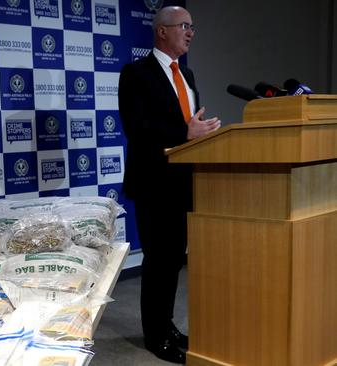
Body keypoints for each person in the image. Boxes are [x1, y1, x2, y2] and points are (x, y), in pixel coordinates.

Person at [117, 6, 221, 364]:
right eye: (184, 26)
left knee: (175, 259)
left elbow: (190, 125)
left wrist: (202, 137)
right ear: (162, 31)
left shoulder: (187, 73)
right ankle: (154, 335)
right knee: (158, 261)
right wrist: (185, 133)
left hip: (183, 181)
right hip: (153, 184)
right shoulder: (135, 73)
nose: (191, 33)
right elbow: (137, 128)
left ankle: (167, 324)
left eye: (193, 26)